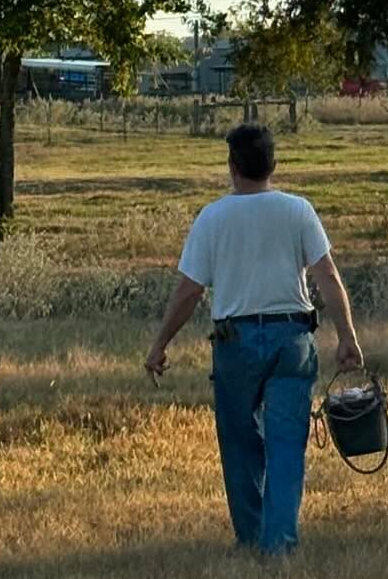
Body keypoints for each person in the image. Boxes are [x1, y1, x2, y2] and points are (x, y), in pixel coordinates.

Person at [144, 122, 363, 555]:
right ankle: (278, 543)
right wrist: (347, 337)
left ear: (232, 167)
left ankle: (250, 535)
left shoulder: (213, 217)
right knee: (286, 444)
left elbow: (190, 291)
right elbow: (328, 276)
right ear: (273, 165)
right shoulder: (298, 210)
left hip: (235, 341)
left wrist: (160, 344)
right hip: (292, 338)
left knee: (240, 442)